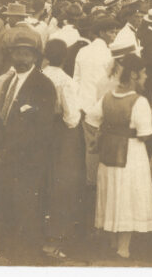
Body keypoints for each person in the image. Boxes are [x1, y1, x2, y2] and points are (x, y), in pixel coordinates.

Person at [0, 27, 56, 263]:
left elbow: (41, 130)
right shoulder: (9, 82)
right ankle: (8, 252)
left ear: (35, 57)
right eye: (17, 53)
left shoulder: (43, 85)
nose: (21, 58)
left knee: (26, 208)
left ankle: (26, 257)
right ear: (10, 55)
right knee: (7, 207)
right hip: (5, 158)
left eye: (26, 54)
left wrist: (11, 151)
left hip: (27, 160)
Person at [95, 52, 152, 259]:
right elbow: (145, 134)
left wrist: (108, 130)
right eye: (143, 73)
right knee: (127, 195)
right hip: (131, 155)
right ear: (133, 75)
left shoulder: (107, 96)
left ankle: (113, 240)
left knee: (112, 192)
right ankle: (123, 246)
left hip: (108, 154)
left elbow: (93, 118)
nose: (146, 77)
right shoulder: (139, 101)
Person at [41, 40, 85, 260]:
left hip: (37, 133)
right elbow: (71, 118)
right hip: (59, 135)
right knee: (61, 183)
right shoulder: (65, 81)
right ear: (65, 58)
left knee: (40, 181)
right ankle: (54, 238)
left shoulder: (38, 76)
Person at [75, 15, 119, 186]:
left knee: (89, 146)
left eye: (115, 32)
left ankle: (91, 180)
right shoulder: (109, 54)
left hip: (84, 104)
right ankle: (98, 181)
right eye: (111, 32)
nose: (114, 36)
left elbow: (76, 78)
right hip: (101, 103)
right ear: (101, 33)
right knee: (102, 145)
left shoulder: (83, 51)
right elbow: (109, 82)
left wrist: (79, 101)